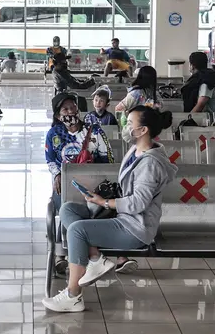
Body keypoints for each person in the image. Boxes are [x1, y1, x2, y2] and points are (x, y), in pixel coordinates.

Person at [43, 106, 177, 312]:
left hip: (135, 227)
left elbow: (137, 203)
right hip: (122, 215)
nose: (125, 127)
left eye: (130, 124)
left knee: (78, 230)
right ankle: (95, 258)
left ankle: (73, 295)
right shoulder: (136, 150)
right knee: (69, 209)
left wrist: (103, 203)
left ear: (143, 130)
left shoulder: (150, 164)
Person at [46, 93, 114, 212]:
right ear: (58, 115)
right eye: (65, 109)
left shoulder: (95, 131)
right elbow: (50, 160)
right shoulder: (53, 134)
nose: (71, 112)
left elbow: (108, 161)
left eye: (73, 107)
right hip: (65, 184)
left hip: (93, 185)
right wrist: (57, 175)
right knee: (63, 207)